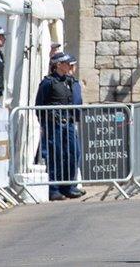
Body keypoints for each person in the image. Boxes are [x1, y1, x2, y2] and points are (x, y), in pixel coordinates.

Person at [36, 52, 85, 200]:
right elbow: (39, 105)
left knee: (73, 153)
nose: (69, 66)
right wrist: (45, 123)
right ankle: (54, 188)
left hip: (68, 123)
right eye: (66, 63)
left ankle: (69, 185)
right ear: (58, 64)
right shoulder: (48, 82)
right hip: (54, 125)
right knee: (55, 155)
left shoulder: (69, 81)